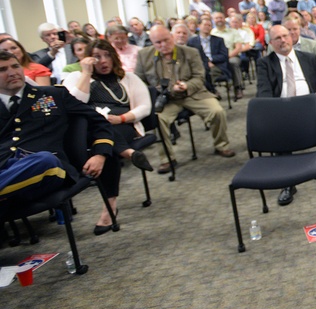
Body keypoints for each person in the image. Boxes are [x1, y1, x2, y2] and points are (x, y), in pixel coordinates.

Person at [0, 49, 113, 218]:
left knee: (45, 159)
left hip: (48, 170)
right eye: (2, 69)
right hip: (7, 173)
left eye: (15, 66)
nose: (12, 72)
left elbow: (99, 121)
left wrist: (100, 154)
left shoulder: (53, 95)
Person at [62, 39, 156, 233]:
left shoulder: (129, 78)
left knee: (104, 145)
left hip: (123, 125)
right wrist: (86, 74)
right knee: (102, 134)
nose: (103, 61)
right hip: (89, 129)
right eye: (97, 57)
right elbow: (74, 104)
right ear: (88, 59)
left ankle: (109, 208)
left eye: (107, 56)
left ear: (114, 58)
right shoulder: (75, 77)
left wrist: (121, 118)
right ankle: (128, 153)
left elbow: (145, 107)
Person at [134, 25, 235, 173]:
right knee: (157, 119)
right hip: (166, 100)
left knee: (217, 111)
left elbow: (199, 77)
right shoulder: (144, 55)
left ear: (172, 37)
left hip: (193, 94)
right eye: (158, 42)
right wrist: (161, 90)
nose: (163, 45)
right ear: (152, 42)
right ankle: (167, 159)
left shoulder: (190, 52)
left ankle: (221, 145)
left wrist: (186, 85)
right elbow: (140, 82)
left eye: (166, 40)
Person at [257, 24, 316, 207]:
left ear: (291, 37)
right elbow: (264, 94)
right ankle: (288, 184)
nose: (283, 40)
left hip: (309, 107)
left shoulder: (309, 58)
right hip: (282, 111)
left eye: (285, 35)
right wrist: (279, 109)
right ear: (271, 43)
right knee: (275, 126)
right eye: (278, 38)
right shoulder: (265, 64)